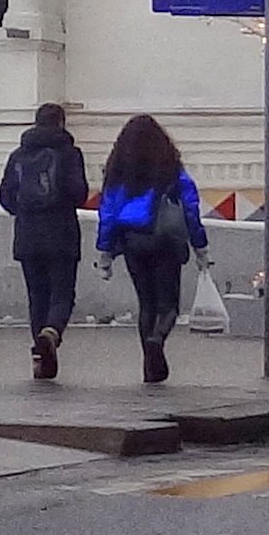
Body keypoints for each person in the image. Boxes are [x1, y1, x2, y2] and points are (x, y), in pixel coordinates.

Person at [96, 113, 208, 386]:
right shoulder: (172, 170)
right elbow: (191, 209)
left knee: (146, 303)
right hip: (167, 241)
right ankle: (158, 339)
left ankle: (150, 365)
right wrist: (200, 247)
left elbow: (108, 212)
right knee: (169, 305)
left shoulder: (119, 172)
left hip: (133, 241)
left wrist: (105, 252)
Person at [0, 102, 90, 383]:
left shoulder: (18, 155)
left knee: (37, 297)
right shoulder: (69, 154)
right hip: (62, 234)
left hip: (28, 236)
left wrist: (25, 213)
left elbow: (5, 197)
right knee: (62, 293)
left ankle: (41, 360)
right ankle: (51, 332)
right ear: (61, 123)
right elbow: (79, 194)